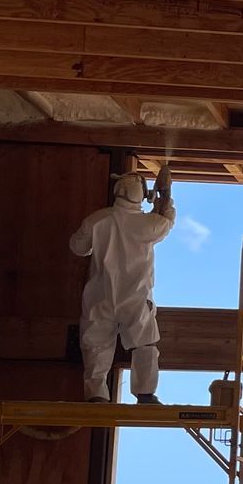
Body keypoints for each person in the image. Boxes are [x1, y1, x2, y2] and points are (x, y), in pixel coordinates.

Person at [69, 164, 175, 404]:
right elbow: (167, 222)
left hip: (100, 295)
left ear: (117, 190)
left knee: (96, 344)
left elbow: (77, 247)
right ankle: (145, 394)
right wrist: (165, 200)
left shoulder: (97, 220)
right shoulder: (149, 224)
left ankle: (96, 396)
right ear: (142, 194)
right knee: (145, 343)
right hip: (136, 297)